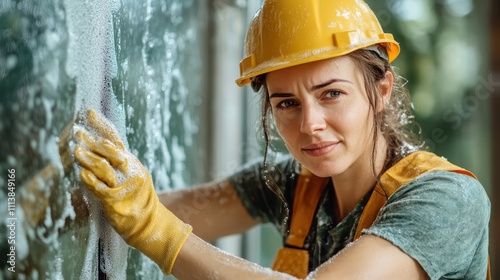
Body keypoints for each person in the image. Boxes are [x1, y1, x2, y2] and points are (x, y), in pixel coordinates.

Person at [73, 0, 491, 279]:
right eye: (287, 103)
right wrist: (79, 184)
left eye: (332, 94)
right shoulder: (292, 186)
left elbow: (153, 220)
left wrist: (155, 230)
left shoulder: (446, 200)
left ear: (380, 91)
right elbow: (143, 208)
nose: (310, 124)